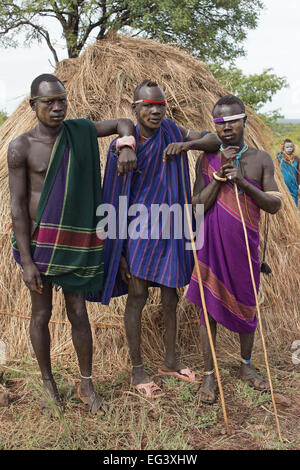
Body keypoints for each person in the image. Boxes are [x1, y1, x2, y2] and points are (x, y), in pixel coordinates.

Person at [7, 73, 137, 413]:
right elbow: (18, 206)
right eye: (49, 101)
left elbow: (124, 122)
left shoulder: (79, 132)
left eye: (61, 100)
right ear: (33, 105)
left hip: (75, 244)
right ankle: (49, 384)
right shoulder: (21, 147)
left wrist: (125, 147)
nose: (57, 106)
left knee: (78, 311)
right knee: (41, 313)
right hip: (39, 246)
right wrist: (27, 260)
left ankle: (86, 384)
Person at [98, 80, 220, 398]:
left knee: (171, 296)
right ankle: (138, 370)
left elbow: (213, 140)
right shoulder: (123, 147)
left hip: (172, 227)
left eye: (160, 105)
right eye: (148, 106)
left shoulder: (173, 130)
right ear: (135, 108)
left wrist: (186, 146)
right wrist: (118, 249)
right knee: (137, 296)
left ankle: (170, 360)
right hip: (137, 232)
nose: (155, 111)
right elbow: (112, 198)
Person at [185, 94, 282, 404]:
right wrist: (217, 177)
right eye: (219, 123)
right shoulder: (206, 159)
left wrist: (242, 182)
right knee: (207, 310)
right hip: (211, 245)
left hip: (245, 246)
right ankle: (210, 376)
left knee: (247, 303)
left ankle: (246, 366)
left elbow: (275, 204)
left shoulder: (261, 159)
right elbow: (196, 206)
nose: (226, 128)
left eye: (231, 121)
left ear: (244, 121)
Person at [277, 139, 299, 207]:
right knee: (285, 205)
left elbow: (298, 173)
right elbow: (277, 172)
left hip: (294, 186)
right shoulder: (279, 158)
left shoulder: (296, 159)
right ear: (283, 148)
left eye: (291, 147)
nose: (289, 149)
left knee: (294, 205)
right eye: (287, 147)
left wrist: (299, 186)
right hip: (284, 186)